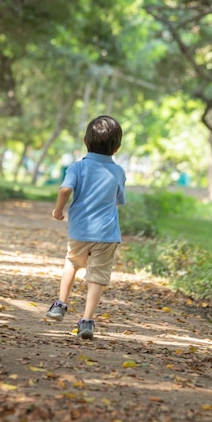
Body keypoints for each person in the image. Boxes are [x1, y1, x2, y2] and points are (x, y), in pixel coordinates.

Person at [45, 115, 126, 340]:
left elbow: (64, 190)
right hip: (108, 234)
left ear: (85, 140)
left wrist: (58, 211)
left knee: (72, 262)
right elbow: (119, 199)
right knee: (97, 276)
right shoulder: (118, 172)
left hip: (80, 230)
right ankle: (87, 321)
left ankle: (60, 305)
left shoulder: (77, 167)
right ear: (117, 147)